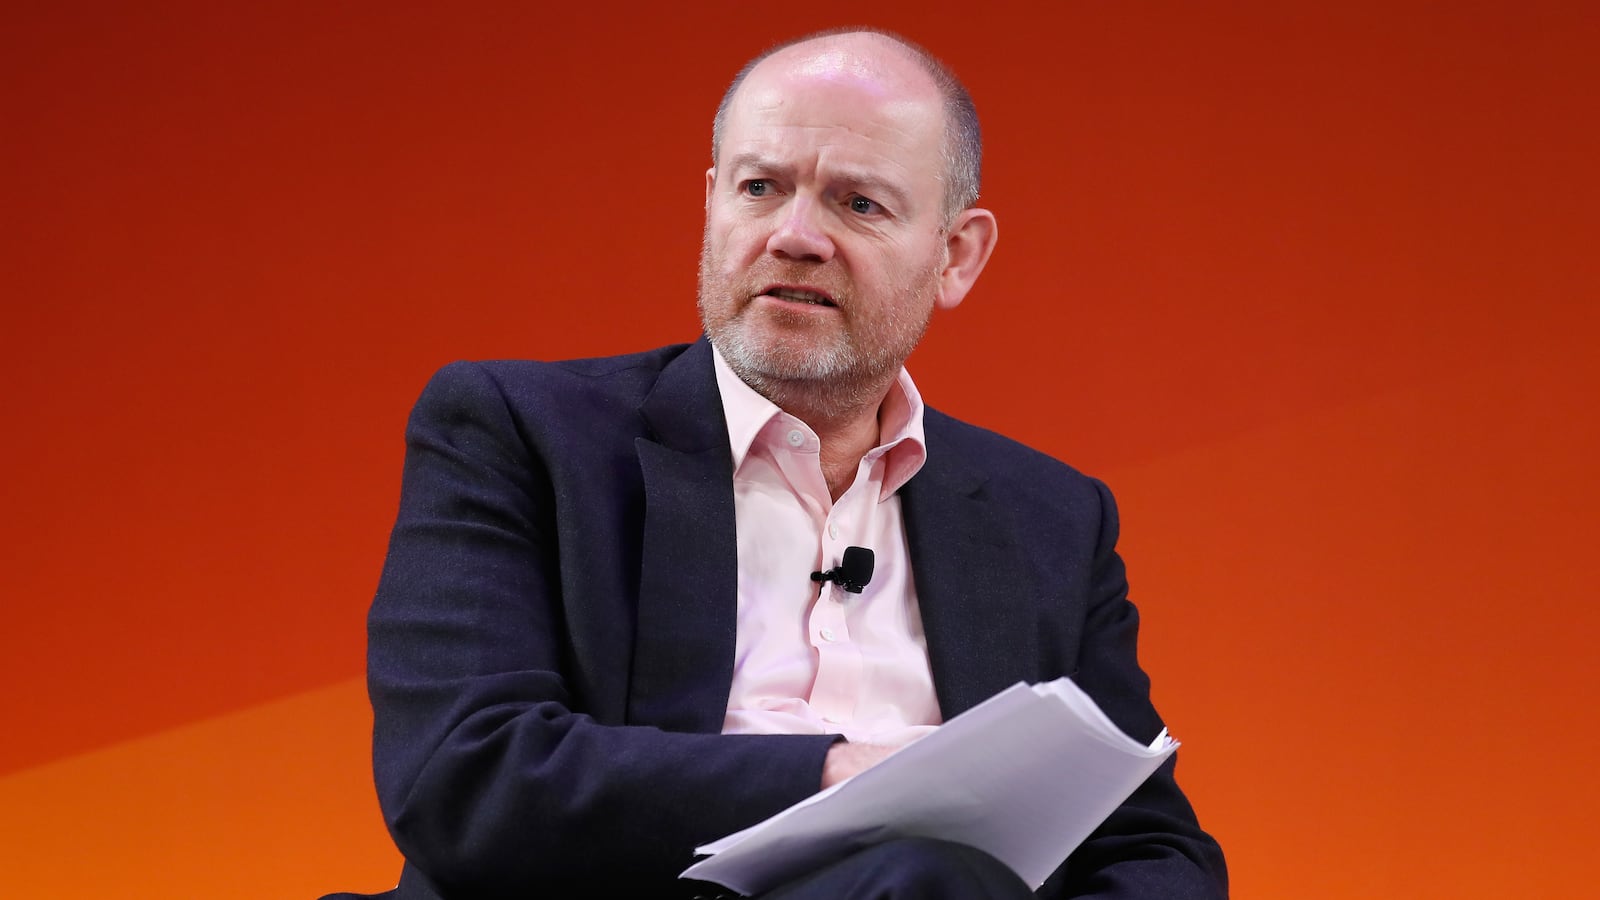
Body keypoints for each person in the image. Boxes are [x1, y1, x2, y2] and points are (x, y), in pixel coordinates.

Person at [330, 27, 1227, 900]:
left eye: (858, 203)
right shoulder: (521, 432)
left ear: (956, 255)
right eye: (761, 189)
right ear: (713, 204)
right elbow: (464, 778)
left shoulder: (1053, 518)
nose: (795, 236)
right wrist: (847, 776)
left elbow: (1147, 840)